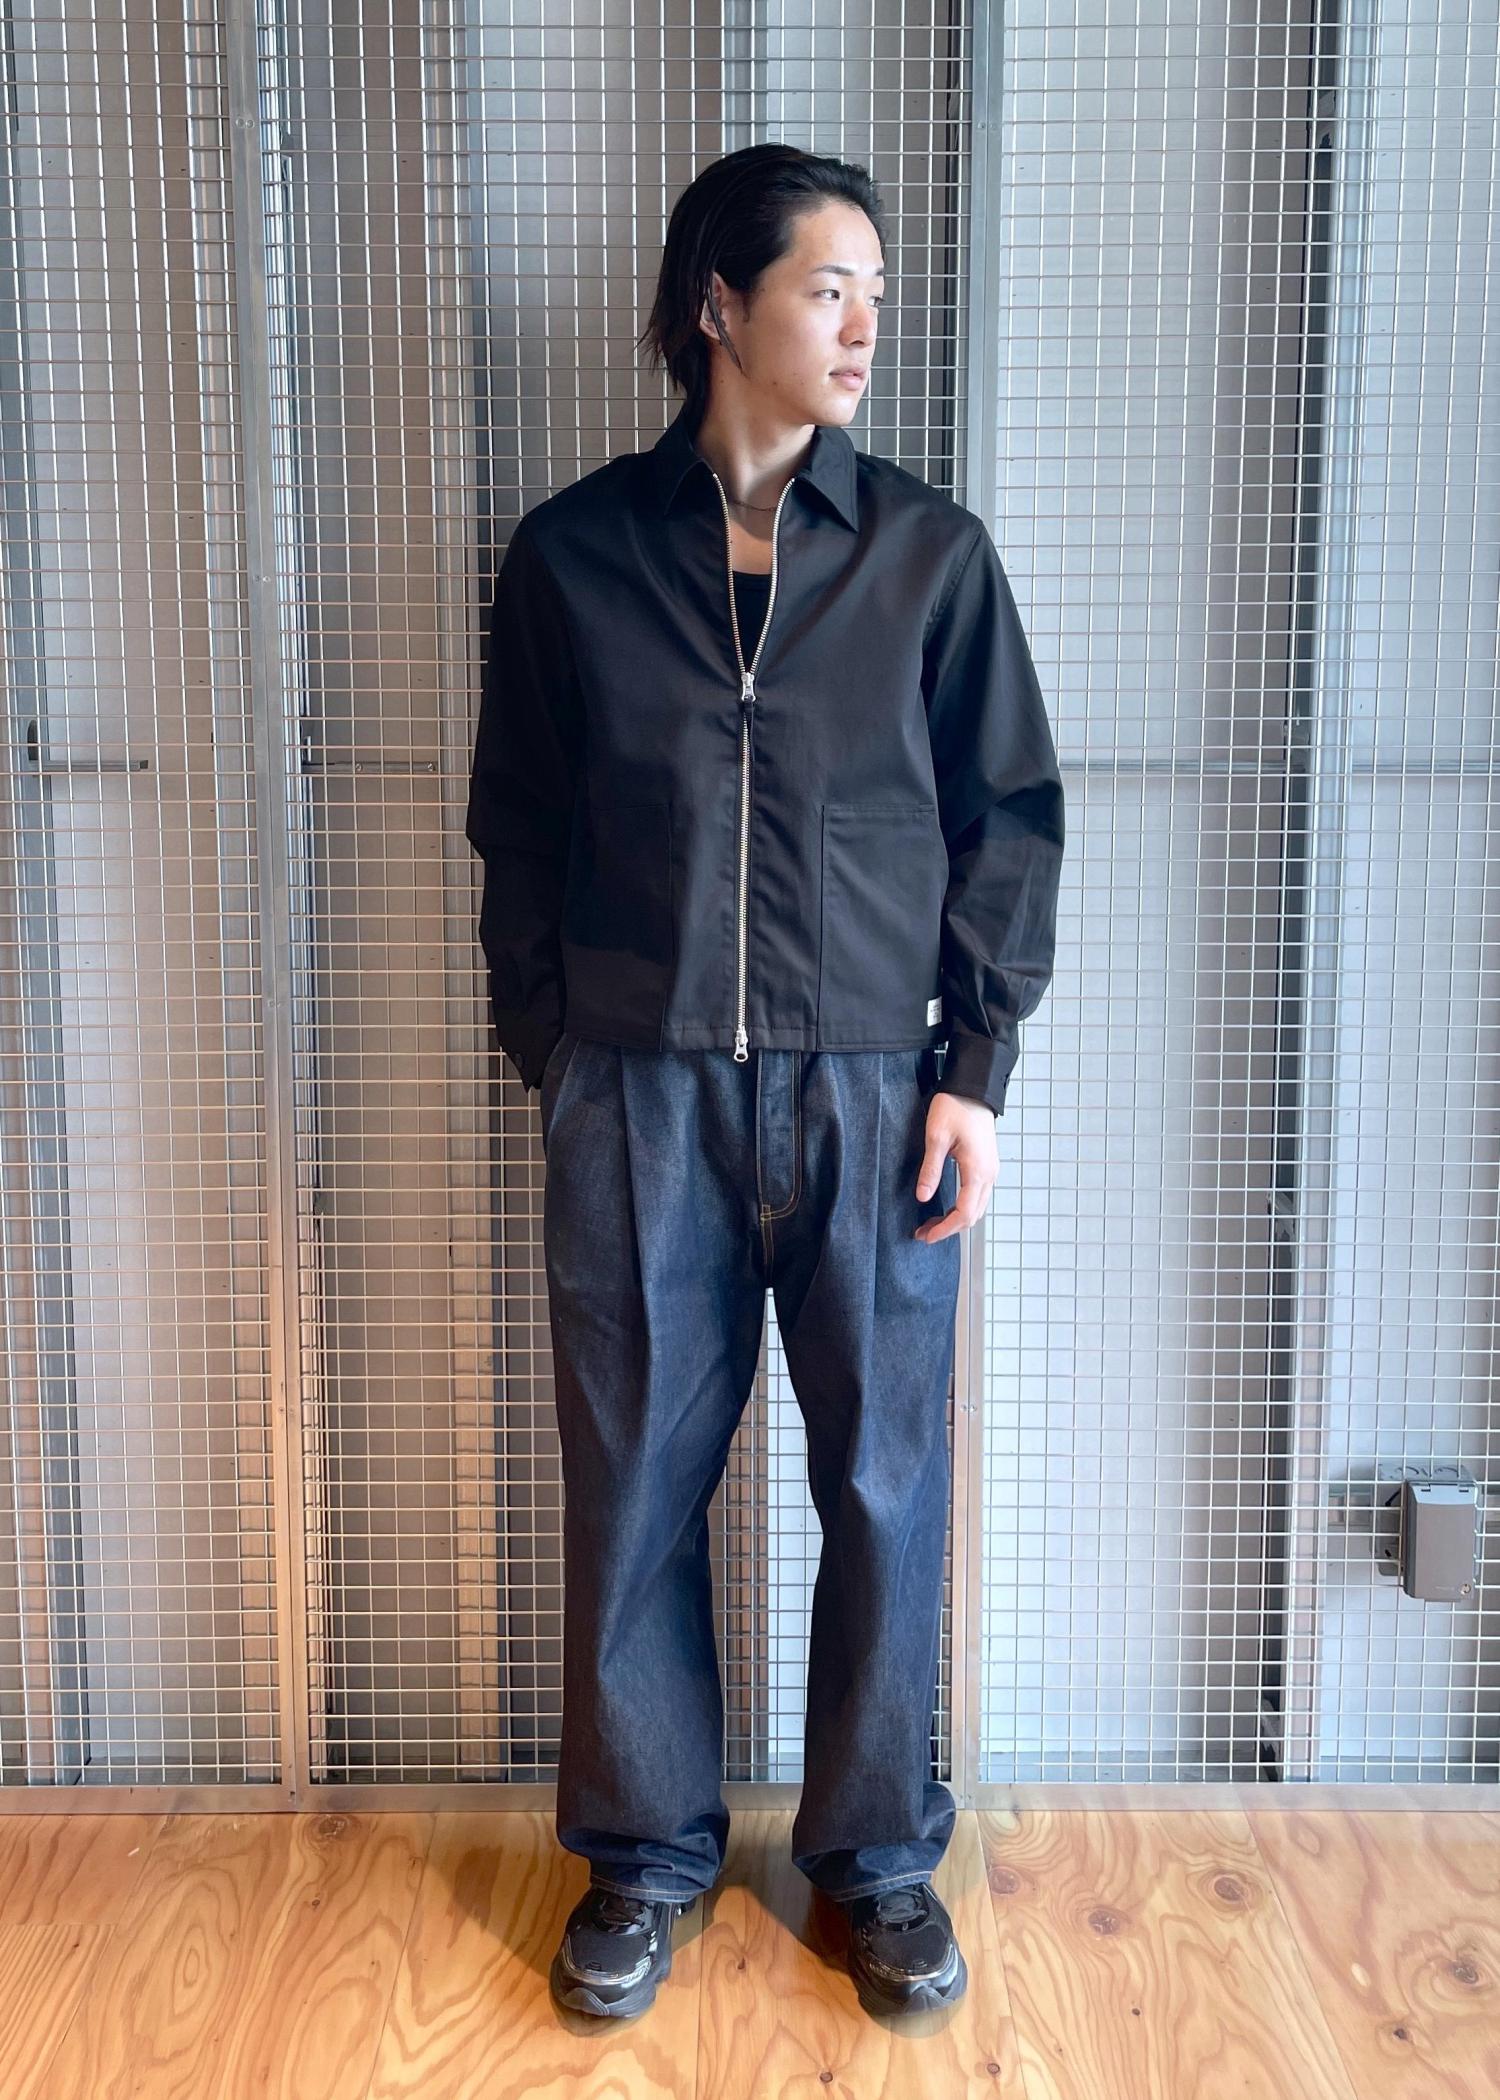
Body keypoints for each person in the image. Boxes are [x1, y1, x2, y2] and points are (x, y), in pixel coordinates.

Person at [465, 142, 1064, 2021]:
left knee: (885, 1481)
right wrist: (559, 1046)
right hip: (638, 1094)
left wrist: (973, 1067)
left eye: (876, 291)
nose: (864, 324)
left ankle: (876, 1859)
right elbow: (519, 826)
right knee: (636, 1478)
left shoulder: (928, 560)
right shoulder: (574, 557)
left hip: (875, 1094)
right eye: (828, 286)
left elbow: (1008, 822)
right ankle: (645, 1855)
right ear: (719, 305)